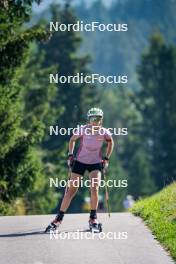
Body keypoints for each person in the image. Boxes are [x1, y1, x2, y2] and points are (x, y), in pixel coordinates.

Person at [45, 107, 114, 232]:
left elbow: (110, 142)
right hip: (80, 162)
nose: (95, 121)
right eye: (93, 118)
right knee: (71, 190)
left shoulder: (104, 132)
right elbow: (72, 140)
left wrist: (107, 158)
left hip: (95, 163)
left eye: (98, 118)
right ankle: (58, 219)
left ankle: (93, 218)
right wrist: (70, 155)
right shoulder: (82, 129)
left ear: (101, 120)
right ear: (88, 119)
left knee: (95, 188)